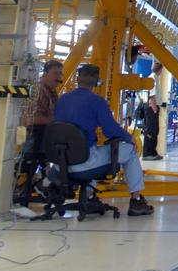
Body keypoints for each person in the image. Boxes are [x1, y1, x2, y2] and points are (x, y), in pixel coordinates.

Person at [54, 64, 154, 216]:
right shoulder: (97, 102)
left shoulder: (62, 100)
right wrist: (130, 138)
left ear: (77, 79)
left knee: (97, 151)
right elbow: (110, 131)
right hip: (85, 162)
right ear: (97, 81)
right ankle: (136, 200)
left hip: (61, 163)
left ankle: (88, 195)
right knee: (130, 151)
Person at [16, 59, 63, 202]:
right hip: (33, 139)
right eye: (56, 73)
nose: (59, 77)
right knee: (69, 152)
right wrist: (54, 121)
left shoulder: (53, 93)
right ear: (45, 73)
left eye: (61, 74)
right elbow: (30, 119)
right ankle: (48, 182)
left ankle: (48, 182)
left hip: (45, 138)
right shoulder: (36, 89)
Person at [142, 61, 164, 159]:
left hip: (153, 106)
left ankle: (153, 153)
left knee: (155, 130)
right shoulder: (153, 78)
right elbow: (152, 95)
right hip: (152, 107)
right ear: (159, 70)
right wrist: (154, 108)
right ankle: (148, 154)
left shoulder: (154, 77)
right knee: (151, 130)